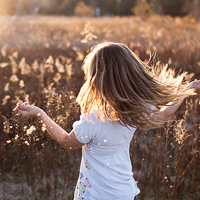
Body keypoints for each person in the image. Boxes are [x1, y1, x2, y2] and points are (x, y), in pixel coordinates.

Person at [17, 42, 200, 200]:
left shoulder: (94, 119)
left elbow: (67, 142)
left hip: (94, 195)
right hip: (124, 192)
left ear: (98, 80)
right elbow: (162, 114)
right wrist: (184, 91)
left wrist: (40, 113)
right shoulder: (135, 110)